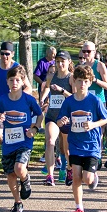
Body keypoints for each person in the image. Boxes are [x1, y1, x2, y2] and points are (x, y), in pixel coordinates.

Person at [56, 65, 107, 212]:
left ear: (90, 82)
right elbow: (60, 121)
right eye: (79, 81)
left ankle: (93, 176)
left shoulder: (94, 100)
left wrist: (93, 124)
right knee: (77, 176)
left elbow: (106, 118)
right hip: (75, 144)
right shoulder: (69, 102)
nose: (82, 85)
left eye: (86, 81)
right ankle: (79, 208)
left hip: (92, 145)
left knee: (87, 178)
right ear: (74, 81)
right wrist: (62, 121)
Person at [0, 66, 43, 212]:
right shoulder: (2, 100)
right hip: (8, 143)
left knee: (19, 168)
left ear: (22, 82)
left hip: (24, 141)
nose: (14, 83)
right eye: (11, 80)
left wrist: (35, 129)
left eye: (17, 80)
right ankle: (17, 202)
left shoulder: (29, 100)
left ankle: (25, 179)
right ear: (7, 82)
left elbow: (39, 115)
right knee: (11, 175)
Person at [0, 42, 33, 150]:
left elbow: (29, 87)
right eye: (2, 54)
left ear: (12, 54)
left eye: (7, 54)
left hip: (13, 107)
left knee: (11, 135)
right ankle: (12, 147)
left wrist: (18, 97)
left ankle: (16, 150)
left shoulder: (16, 67)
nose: (4, 56)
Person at [39, 51, 74, 186]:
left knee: (65, 148)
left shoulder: (71, 78)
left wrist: (61, 91)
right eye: (57, 61)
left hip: (66, 118)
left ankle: (69, 170)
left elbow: (75, 97)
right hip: (52, 116)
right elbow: (47, 88)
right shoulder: (51, 76)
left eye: (62, 61)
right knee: (50, 141)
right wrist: (42, 98)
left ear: (69, 62)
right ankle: (50, 175)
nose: (60, 64)